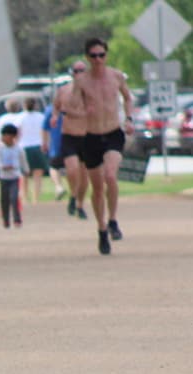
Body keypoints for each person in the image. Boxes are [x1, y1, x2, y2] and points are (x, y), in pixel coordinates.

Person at [74, 38, 135, 254]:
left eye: (101, 55)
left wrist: (129, 119)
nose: (98, 60)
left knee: (110, 175)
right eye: (93, 56)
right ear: (87, 58)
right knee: (97, 187)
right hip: (91, 136)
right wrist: (82, 112)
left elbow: (128, 98)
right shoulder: (81, 81)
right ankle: (101, 229)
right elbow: (73, 106)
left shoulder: (116, 76)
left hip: (113, 133)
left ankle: (113, 220)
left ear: (106, 55)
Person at [52, 61, 91, 221]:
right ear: (72, 73)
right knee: (72, 169)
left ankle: (79, 203)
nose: (79, 73)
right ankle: (73, 196)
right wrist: (55, 116)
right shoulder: (63, 90)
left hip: (86, 136)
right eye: (76, 71)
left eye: (82, 70)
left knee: (84, 174)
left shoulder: (91, 91)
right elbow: (56, 107)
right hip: (69, 135)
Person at [0, 123, 29, 228]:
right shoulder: (0, 148)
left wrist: (26, 170)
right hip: (3, 178)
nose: (3, 138)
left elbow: (23, 162)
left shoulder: (18, 149)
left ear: (12, 137)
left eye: (6, 135)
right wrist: (2, 167)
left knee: (14, 198)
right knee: (4, 200)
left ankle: (17, 219)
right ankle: (6, 220)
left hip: (14, 177)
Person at [18, 97, 49, 203]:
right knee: (38, 174)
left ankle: (25, 197)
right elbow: (45, 131)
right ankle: (36, 198)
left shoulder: (20, 117)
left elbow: (18, 133)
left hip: (23, 146)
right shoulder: (41, 117)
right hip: (37, 145)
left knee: (24, 174)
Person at [41, 95, 67, 201]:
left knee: (53, 167)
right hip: (70, 141)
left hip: (55, 143)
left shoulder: (49, 110)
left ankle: (58, 186)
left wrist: (44, 142)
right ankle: (75, 191)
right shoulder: (70, 108)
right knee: (70, 166)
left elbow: (44, 128)